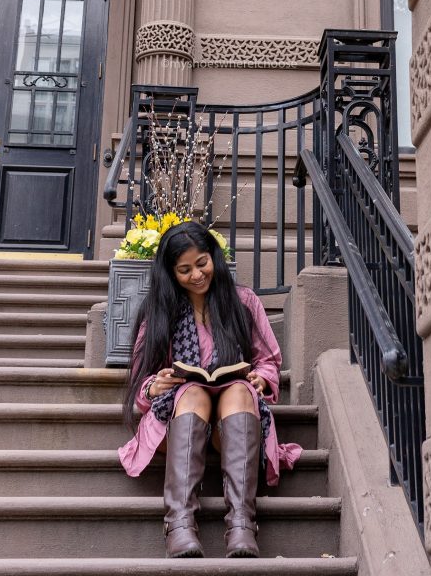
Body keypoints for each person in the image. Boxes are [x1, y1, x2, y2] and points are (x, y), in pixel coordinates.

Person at [119, 220, 301, 559]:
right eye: (184, 270)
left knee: (239, 390)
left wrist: (261, 379)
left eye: (202, 263)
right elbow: (141, 379)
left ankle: (242, 524)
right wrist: (155, 385)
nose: (197, 275)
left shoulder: (243, 301)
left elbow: (268, 361)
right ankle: (180, 524)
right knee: (194, 392)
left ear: (213, 257)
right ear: (171, 273)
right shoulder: (160, 311)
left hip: (232, 422)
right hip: (181, 417)